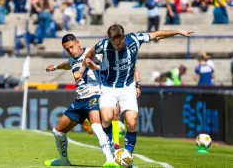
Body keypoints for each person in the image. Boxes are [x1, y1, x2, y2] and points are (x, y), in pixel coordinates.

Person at [74, 24, 193, 168]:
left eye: (119, 43)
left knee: (131, 121)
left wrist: (179, 31)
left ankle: (127, 156)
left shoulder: (135, 39)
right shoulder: (104, 44)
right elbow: (90, 53)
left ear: (124, 37)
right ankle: (111, 151)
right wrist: (81, 69)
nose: (116, 46)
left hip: (127, 87)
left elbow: (156, 34)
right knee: (106, 118)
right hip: (108, 87)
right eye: (114, 43)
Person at [44, 34, 119, 167]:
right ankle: (63, 161)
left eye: (72, 47)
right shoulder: (72, 60)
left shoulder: (92, 53)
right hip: (80, 100)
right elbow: (67, 64)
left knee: (96, 126)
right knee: (58, 131)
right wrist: (55, 67)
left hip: (95, 95)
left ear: (78, 42)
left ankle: (110, 159)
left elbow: (107, 63)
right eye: (67, 49)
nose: (70, 51)